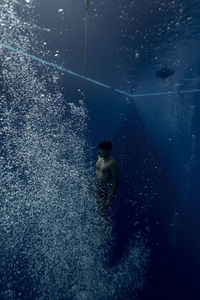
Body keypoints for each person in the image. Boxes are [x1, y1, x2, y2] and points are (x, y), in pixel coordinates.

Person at [93, 140, 119, 243]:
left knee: (103, 213)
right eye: (99, 150)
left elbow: (116, 182)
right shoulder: (100, 157)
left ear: (109, 150)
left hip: (103, 190)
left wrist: (110, 199)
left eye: (102, 150)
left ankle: (103, 235)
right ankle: (101, 231)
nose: (99, 152)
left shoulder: (112, 164)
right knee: (98, 210)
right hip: (96, 187)